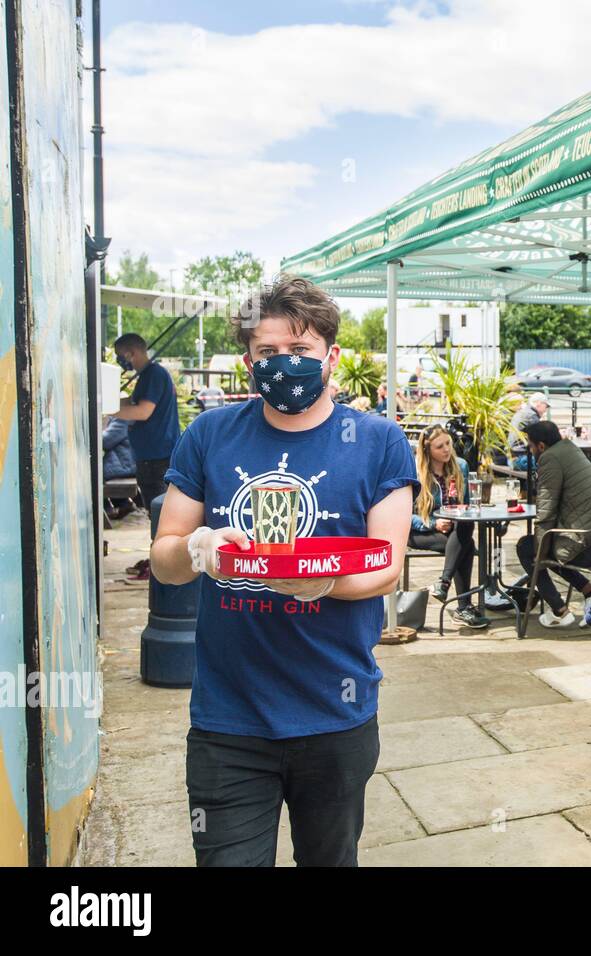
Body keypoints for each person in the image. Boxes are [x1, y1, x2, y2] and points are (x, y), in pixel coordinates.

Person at [150, 275, 418, 867]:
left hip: (335, 713)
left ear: (331, 357)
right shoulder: (209, 435)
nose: (283, 365)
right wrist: (199, 548)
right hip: (229, 720)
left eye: (299, 352)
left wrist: (322, 581)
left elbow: (386, 565)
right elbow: (164, 562)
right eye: (267, 353)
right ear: (248, 361)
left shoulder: (378, 442)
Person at [514, 420, 591, 628]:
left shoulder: (550, 459)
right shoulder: (570, 448)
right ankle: (589, 591)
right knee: (548, 546)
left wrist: (539, 550)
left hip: (588, 545)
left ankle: (559, 610)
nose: (530, 450)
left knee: (529, 548)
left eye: (531, 446)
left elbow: (545, 510)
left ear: (541, 446)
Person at [411, 425, 488, 630]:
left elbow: (469, 507)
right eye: (440, 446)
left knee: (465, 528)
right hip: (420, 532)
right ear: (428, 451)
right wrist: (431, 523)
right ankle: (463, 607)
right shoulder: (416, 473)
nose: (446, 449)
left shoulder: (460, 466)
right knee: (466, 545)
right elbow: (403, 515)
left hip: (454, 530)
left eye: (448, 443)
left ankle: (444, 583)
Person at [112, 332, 180, 515]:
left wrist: (108, 411)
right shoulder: (147, 376)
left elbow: (143, 411)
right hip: (150, 455)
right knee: (155, 509)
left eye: (120, 355)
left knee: (160, 512)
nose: (119, 360)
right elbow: (132, 403)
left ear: (131, 353)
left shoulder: (154, 375)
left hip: (157, 457)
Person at [102, 417, 138, 521]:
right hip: (126, 462)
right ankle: (123, 503)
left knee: (92, 475)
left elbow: (106, 440)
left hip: (124, 464)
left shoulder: (122, 419)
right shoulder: (124, 418)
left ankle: (106, 508)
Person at [509, 393, 551, 470]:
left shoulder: (524, 412)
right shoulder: (531, 416)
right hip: (522, 459)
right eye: (546, 406)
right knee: (554, 464)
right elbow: (540, 440)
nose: (546, 409)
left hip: (513, 457)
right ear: (539, 404)